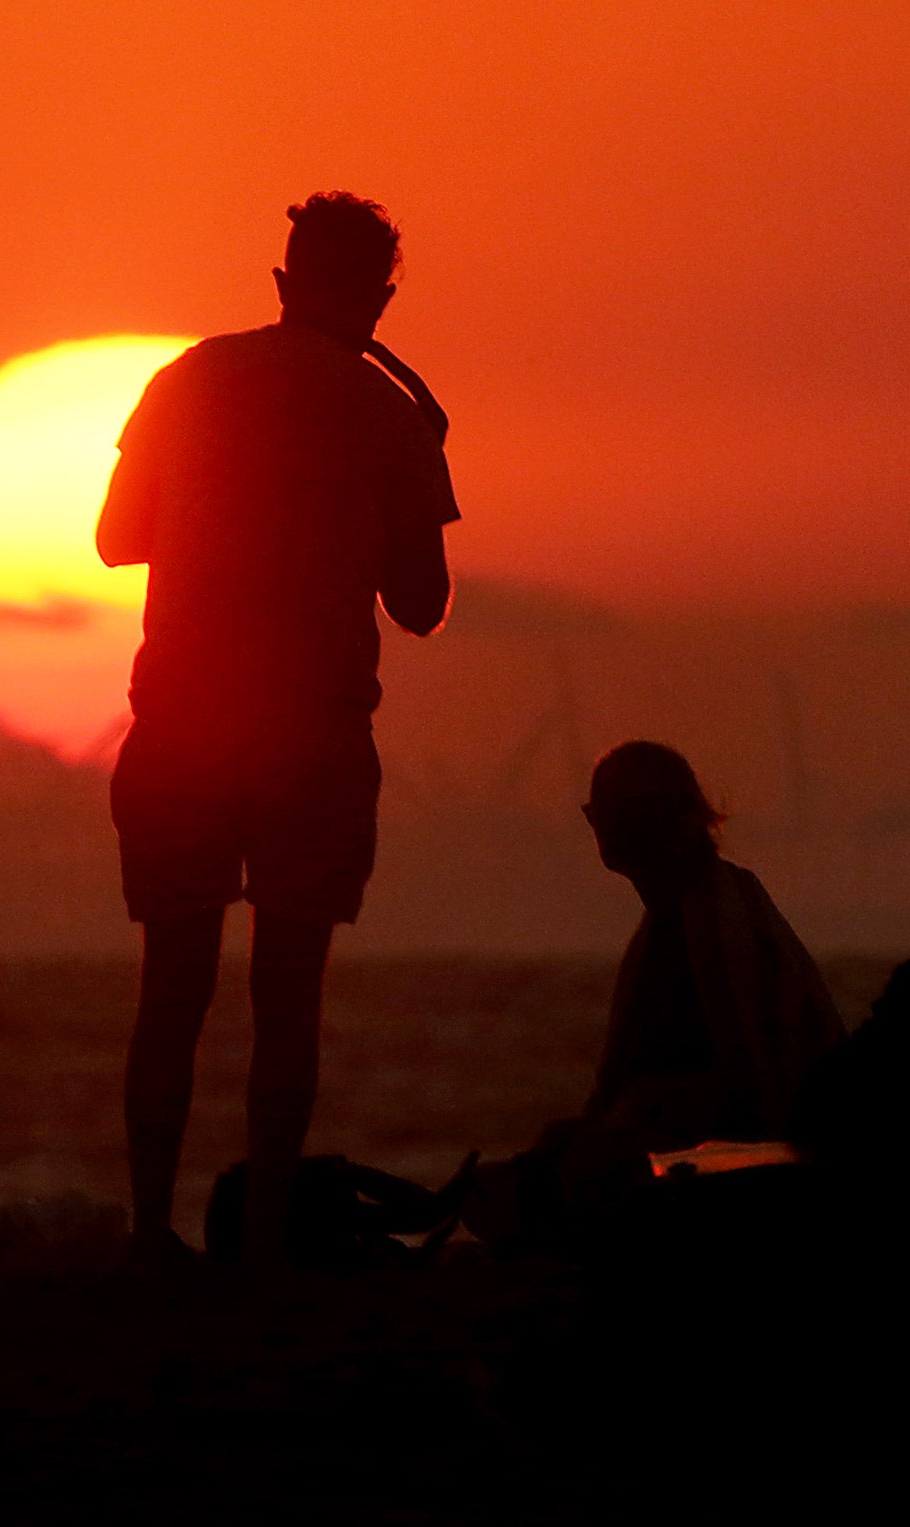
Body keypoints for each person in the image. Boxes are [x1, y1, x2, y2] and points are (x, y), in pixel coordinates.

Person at [97, 191, 460, 1265]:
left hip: (183, 722)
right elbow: (424, 605)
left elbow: (117, 540)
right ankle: (259, 1243)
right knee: (286, 995)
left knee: (172, 989)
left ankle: (151, 1227)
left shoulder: (186, 380)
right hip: (314, 728)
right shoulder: (391, 414)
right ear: (380, 297)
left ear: (284, 281)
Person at [463, 740, 847, 1256]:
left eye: (604, 813)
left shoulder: (712, 920)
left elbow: (754, 1079)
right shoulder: (683, 913)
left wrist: (617, 1135)